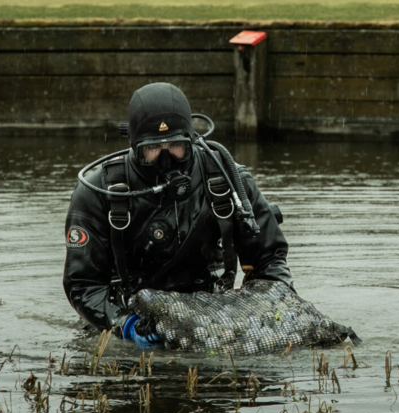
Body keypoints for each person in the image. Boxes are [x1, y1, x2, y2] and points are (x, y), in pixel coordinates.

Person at [63, 82, 292, 349]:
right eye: (152, 149)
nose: (165, 158)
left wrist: (270, 309)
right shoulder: (97, 192)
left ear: (191, 139)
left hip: (211, 313)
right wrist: (124, 323)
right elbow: (82, 285)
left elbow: (270, 259)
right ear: (134, 146)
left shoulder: (226, 179)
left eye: (176, 145)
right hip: (130, 317)